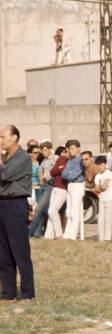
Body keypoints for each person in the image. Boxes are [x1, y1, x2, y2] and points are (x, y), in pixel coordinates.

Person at [0, 125, 35, 302]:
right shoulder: (4, 157)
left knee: (20, 249)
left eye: (3, 136)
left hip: (15, 204)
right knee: (3, 251)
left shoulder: (22, 157)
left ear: (14, 137)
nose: (1, 140)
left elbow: (5, 175)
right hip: (2, 204)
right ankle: (8, 291)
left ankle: (27, 292)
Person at [29, 141, 56, 238]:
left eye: (44, 150)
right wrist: (41, 179)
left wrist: (50, 180)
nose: (43, 152)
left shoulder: (55, 159)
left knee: (38, 209)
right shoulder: (44, 161)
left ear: (50, 149)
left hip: (50, 186)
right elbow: (40, 171)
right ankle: (37, 233)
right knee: (42, 211)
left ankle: (30, 232)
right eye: (42, 151)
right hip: (44, 186)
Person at [61, 139, 85, 240]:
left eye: (73, 148)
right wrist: (69, 173)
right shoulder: (70, 160)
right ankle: (67, 233)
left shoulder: (81, 160)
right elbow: (64, 174)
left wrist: (69, 173)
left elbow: (74, 174)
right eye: (69, 149)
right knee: (69, 211)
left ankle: (73, 234)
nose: (71, 151)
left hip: (78, 185)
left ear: (78, 148)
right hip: (70, 185)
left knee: (75, 211)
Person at [45, 147, 69, 239]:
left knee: (52, 211)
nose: (64, 154)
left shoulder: (69, 161)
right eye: (64, 152)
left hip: (63, 188)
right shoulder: (61, 159)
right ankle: (48, 235)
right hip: (55, 187)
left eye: (66, 152)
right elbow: (52, 172)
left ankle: (59, 234)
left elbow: (64, 173)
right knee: (50, 211)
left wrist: (59, 169)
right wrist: (59, 169)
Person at [93, 156, 112, 242]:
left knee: (108, 219)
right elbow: (97, 188)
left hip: (110, 198)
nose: (100, 166)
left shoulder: (108, 173)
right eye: (98, 165)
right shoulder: (98, 175)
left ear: (105, 164)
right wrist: (100, 188)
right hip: (102, 198)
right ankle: (101, 238)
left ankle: (107, 238)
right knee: (101, 219)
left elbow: (104, 187)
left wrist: (100, 187)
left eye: (101, 164)